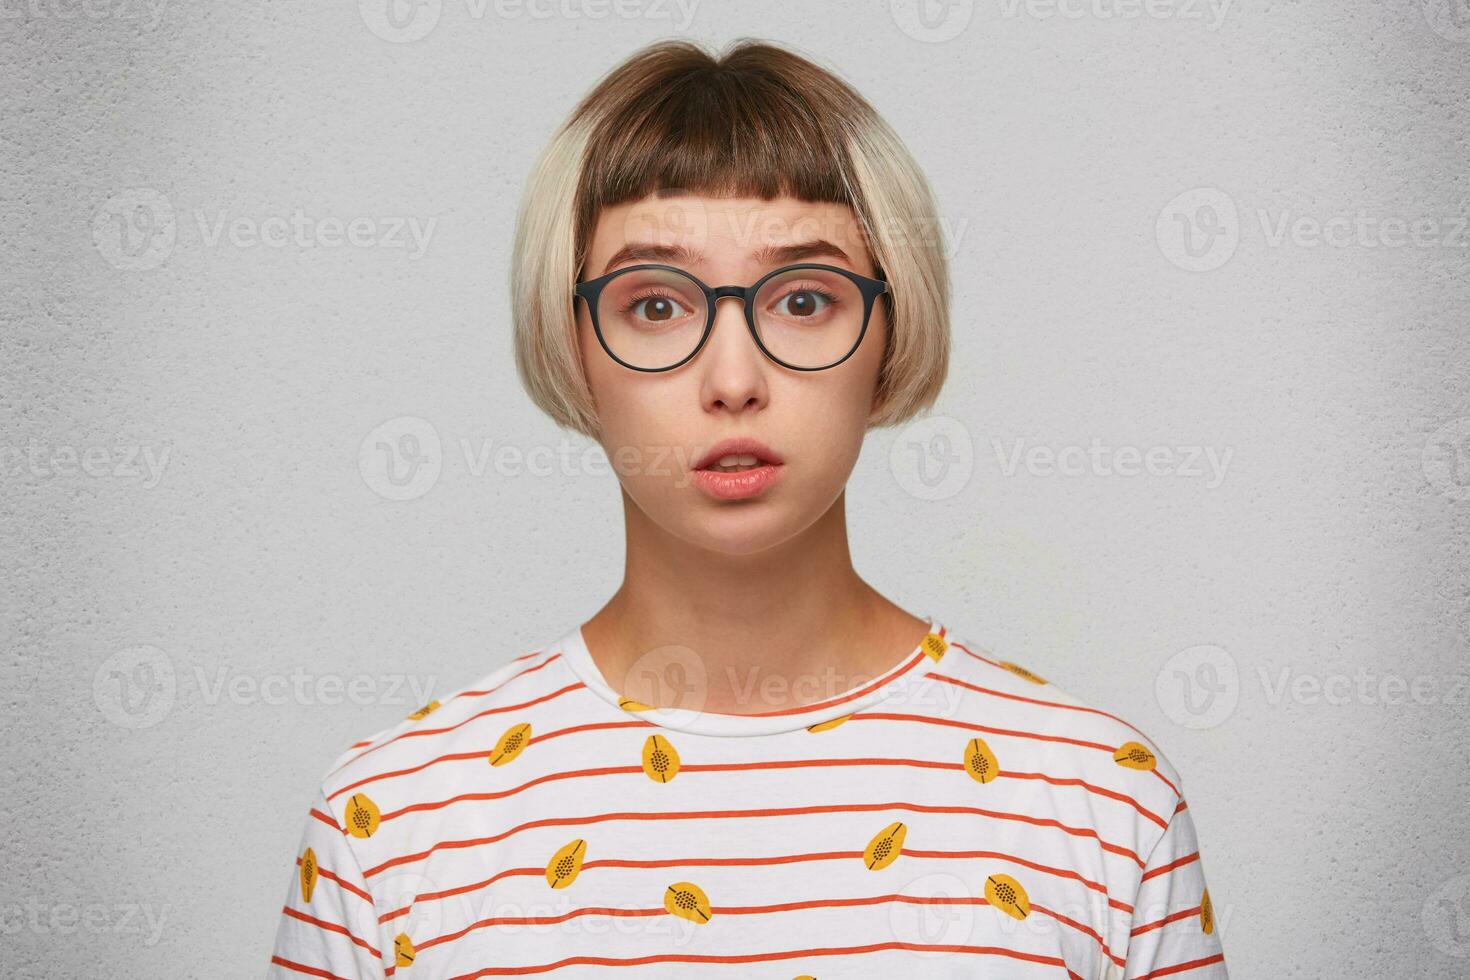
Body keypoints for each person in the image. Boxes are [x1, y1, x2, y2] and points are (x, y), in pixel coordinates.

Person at [268, 37, 1228, 979]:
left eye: (804, 300)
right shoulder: (392, 823)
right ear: (572, 344)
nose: (734, 379)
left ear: (891, 335)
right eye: (656, 305)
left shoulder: (1101, 803)